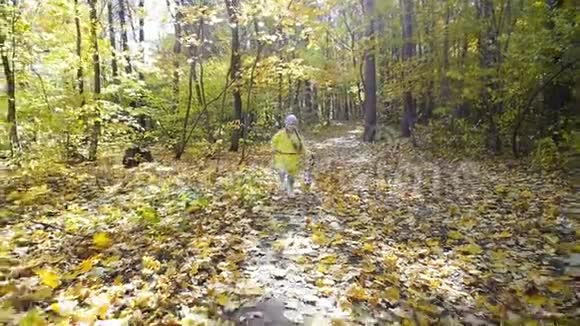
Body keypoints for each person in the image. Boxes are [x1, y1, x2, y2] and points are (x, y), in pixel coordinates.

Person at [271, 114, 306, 197]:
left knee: (291, 177)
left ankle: (290, 190)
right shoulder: (280, 134)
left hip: (293, 158)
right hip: (281, 156)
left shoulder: (297, 136)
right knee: (281, 172)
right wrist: (273, 148)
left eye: (293, 124)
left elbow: (302, 146)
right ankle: (283, 182)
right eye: (290, 124)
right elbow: (274, 141)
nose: (291, 126)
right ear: (286, 124)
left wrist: (306, 153)